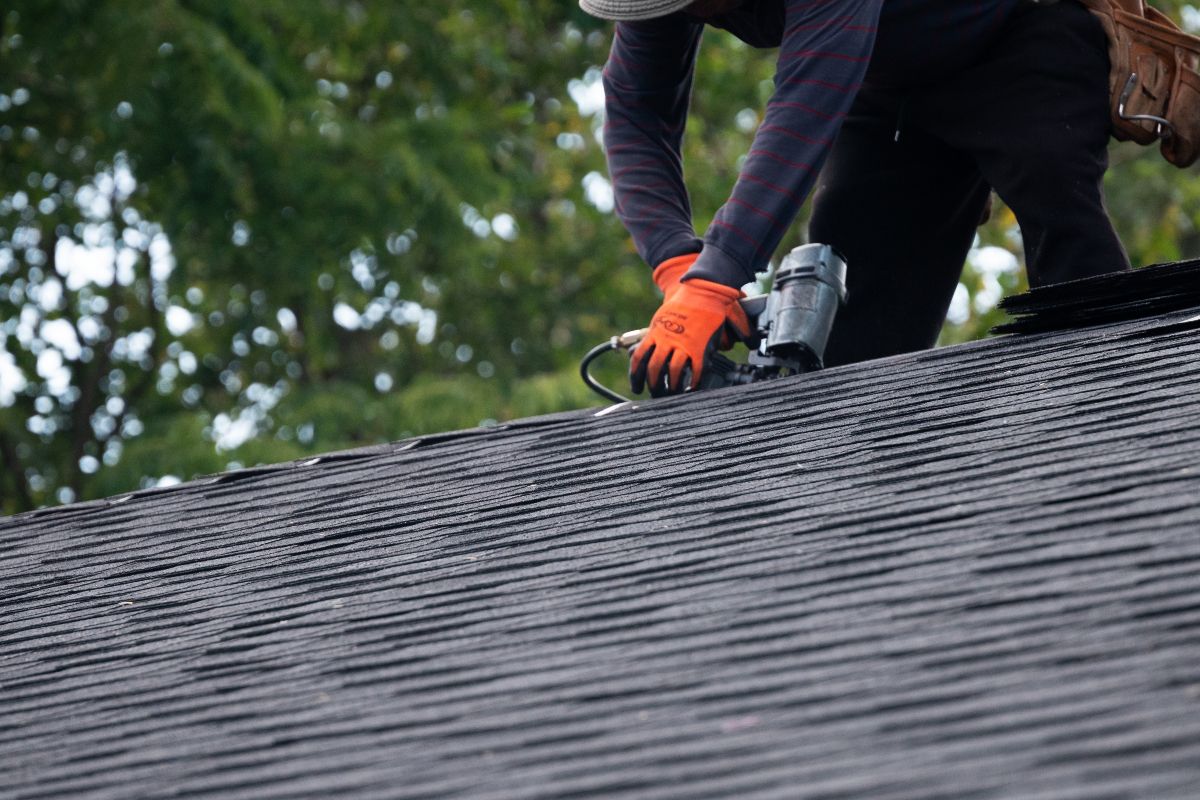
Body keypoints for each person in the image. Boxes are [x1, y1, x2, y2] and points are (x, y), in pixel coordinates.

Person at [579, 0, 1131, 397]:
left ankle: (1112, 400)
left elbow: (806, 104)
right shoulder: (665, 4)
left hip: (1020, 32)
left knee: (1058, 204)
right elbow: (635, 114)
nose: (693, 13)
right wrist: (679, 268)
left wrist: (717, 274)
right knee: (846, 311)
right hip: (890, 83)